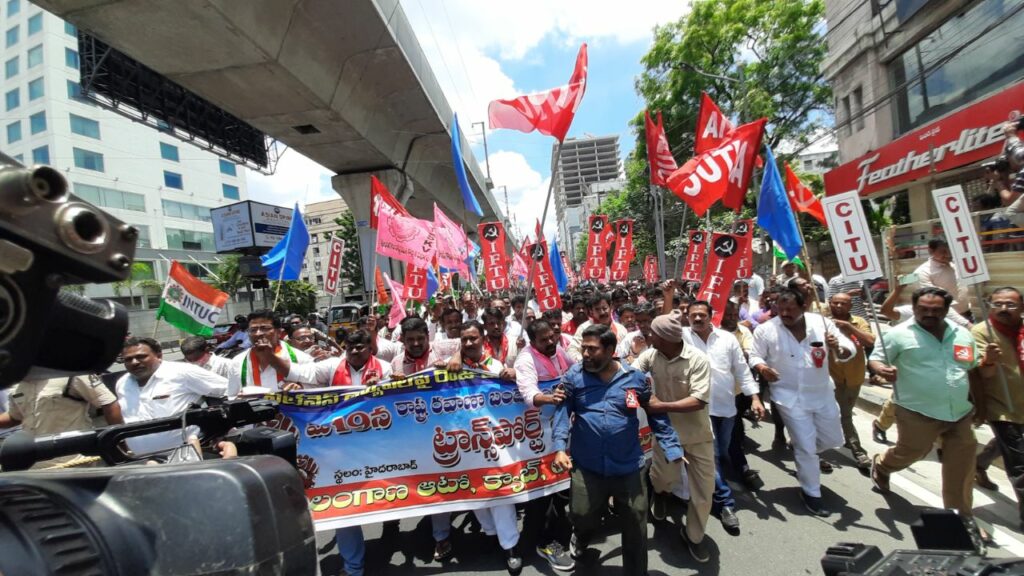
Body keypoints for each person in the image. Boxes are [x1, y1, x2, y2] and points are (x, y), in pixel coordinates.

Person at [552, 324, 683, 576]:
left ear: (611, 350)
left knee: (636, 524)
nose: (586, 354)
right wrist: (559, 448)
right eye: (584, 348)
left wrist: (672, 447)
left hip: (628, 467)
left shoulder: (634, 378)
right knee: (581, 514)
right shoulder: (573, 377)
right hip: (587, 466)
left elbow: (656, 414)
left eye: (592, 349)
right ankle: (580, 536)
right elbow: (561, 413)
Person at [868, 287, 996, 524]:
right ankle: (884, 465)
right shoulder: (898, 334)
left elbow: (974, 371)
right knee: (911, 453)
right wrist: (881, 370)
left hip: (960, 413)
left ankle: (962, 520)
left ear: (947, 310)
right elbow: (876, 358)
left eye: (936, 310)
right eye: (923, 309)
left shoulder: (962, 334)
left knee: (961, 469)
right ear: (914, 308)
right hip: (917, 411)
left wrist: (982, 404)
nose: (929, 314)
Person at [750, 289, 855, 517]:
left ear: (804, 307)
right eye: (781, 308)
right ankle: (811, 494)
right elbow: (754, 355)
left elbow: (849, 349)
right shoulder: (766, 330)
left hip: (822, 394)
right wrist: (762, 367)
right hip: (789, 398)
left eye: (791, 309)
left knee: (833, 439)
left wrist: (839, 347)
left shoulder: (822, 324)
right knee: (807, 448)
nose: (785, 313)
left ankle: (801, 450)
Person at [632, 310, 715, 562]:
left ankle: (694, 537)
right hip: (666, 436)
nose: (649, 336)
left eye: (653, 334)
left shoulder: (698, 360)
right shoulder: (650, 355)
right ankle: (661, 493)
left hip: (698, 436)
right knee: (662, 479)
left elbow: (699, 400)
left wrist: (660, 406)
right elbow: (631, 375)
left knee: (703, 491)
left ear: (665, 337)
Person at [681, 301, 765, 533]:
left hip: (727, 408)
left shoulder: (727, 339)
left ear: (711, 316)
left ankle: (707, 481)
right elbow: (664, 323)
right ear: (687, 317)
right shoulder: (682, 338)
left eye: (701, 315)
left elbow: (741, 370)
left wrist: (756, 398)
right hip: (698, 410)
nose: (697, 319)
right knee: (713, 455)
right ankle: (726, 504)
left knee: (724, 450)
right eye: (693, 315)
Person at [512, 319, 575, 571]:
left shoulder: (559, 350)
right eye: (544, 340)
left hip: (561, 432)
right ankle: (544, 542)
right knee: (542, 492)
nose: (551, 342)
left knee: (561, 487)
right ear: (532, 342)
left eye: (552, 336)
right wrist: (551, 397)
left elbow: (575, 370)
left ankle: (559, 531)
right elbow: (530, 395)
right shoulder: (525, 360)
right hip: (535, 435)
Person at [969, 287, 1024, 529]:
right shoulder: (982, 332)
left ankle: (979, 464)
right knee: (1020, 463)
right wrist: (989, 359)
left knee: (1007, 447)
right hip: (1002, 406)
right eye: (997, 304)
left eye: (1010, 305)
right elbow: (983, 373)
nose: (1003, 309)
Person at [117, 337, 228, 455]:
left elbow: (229, 390)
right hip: (141, 461)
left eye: (141, 357)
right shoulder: (122, 384)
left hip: (186, 457)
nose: (134, 362)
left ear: (159, 355)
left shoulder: (182, 372)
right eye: (128, 359)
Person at [0, 374, 123, 466]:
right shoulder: (17, 385)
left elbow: (109, 404)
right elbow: (14, 417)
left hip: (75, 463)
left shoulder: (72, 374)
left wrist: (119, 442)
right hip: (35, 466)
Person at [827, 292, 876, 470]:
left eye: (843, 304)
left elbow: (870, 341)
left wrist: (849, 327)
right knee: (842, 414)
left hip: (853, 377)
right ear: (829, 303)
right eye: (835, 303)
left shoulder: (859, 322)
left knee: (843, 412)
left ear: (850, 306)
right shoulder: (822, 321)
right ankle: (858, 450)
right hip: (831, 378)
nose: (839, 306)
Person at [721, 299, 765, 490]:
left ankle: (742, 466)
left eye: (734, 315)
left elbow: (748, 357)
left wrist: (755, 397)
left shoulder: (743, 332)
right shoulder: (708, 332)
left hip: (736, 392)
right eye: (727, 315)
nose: (731, 319)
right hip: (711, 396)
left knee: (735, 431)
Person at [227, 310, 314, 395]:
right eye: (253, 330)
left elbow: (318, 390)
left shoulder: (302, 359)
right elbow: (232, 396)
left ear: (279, 332)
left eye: (265, 328)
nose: (258, 333)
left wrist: (300, 388)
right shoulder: (237, 362)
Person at [287, 330, 393, 387]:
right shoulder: (333, 365)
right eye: (350, 348)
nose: (354, 351)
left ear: (370, 349)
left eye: (359, 348)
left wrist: (380, 385)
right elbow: (300, 373)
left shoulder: (385, 367)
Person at [913, 239, 971, 316]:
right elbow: (931, 300)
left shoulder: (955, 265)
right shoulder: (922, 272)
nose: (948, 255)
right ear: (931, 251)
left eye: (950, 251)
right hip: (948, 318)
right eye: (943, 251)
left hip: (967, 313)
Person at [567, 293, 628, 362]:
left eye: (604, 308)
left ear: (611, 307)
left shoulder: (621, 329)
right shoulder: (584, 328)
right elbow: (572, 350)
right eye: (597, 309)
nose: (602, 312)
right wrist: (586, 363)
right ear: (591, 311)